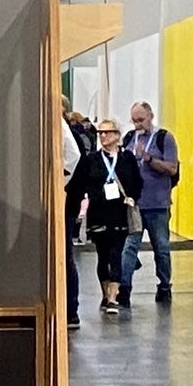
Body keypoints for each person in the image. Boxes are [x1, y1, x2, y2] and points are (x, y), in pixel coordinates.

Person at [75, 117, 140, 315]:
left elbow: (137, 182)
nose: (103, 136)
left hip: (120, 213)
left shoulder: (127, 158)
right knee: (103, 256)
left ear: (117, 136)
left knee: (116, 254)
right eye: (100, 133)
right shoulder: (91, 159)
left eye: (107, 132)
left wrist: (133, 198)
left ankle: (113, 297)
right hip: (99, 213)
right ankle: (105, 293)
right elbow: (82, 183)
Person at [126, 98, 180, 302]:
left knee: (162, 247)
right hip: (135, 204)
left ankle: (164, 285)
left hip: (157, 204)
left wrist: (148, 158)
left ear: (150, 117)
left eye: (141, 119)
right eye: (134, 120)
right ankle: (124, 287)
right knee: (129, 247)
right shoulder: (129, 138)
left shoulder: (164, 138)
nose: (138, 124)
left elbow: (172, 168)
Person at [60, 105, 98, 324]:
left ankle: (71, 309)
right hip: (70, 202)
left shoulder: (68, 135)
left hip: (66, 203)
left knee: (65, 257)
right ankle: (70, 309)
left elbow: (73, 162)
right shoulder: (68, 134)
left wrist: (61, 185)